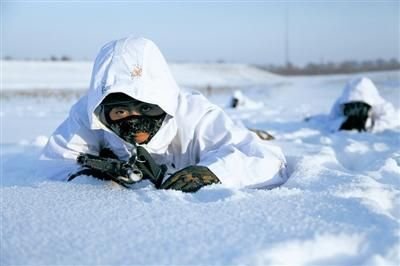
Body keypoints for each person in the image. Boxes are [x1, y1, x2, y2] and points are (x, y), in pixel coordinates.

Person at [40, 36, 288, 192]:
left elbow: (268, 162)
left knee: (244, 137)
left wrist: (214, 172)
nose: (135, 124)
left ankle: (253, 129)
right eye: (121, 111)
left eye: (146, 109)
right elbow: (56, 162)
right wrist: (92, 176)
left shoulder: (195, 114)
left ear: (164, 104)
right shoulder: (88, 114)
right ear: (103, 111)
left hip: (213, 139)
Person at [305, 77, 398, 133]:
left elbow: (330, 120)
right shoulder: (340, 104)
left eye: (359, 105)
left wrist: (370, 125)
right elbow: (331, 120)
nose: (356, 108)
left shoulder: (380, 105)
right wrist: (343, 123)